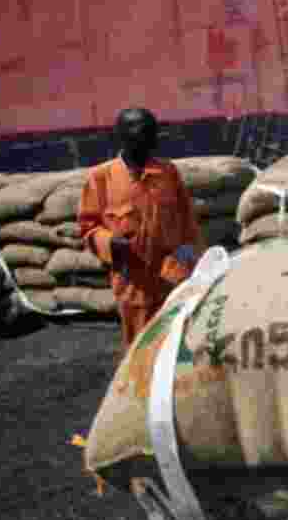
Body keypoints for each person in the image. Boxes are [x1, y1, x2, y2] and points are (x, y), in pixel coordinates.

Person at [78, 108, 205, 356]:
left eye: (152, 131)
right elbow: (87, 227)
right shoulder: (100, 178)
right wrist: (110, 243)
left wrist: (193, 263)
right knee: (141, 353)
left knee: (178, 350)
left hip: (173, 279)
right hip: (134, 285)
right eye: (142, 131)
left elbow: (188, 222)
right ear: (121, 136)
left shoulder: (168, 173)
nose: (151, 137)